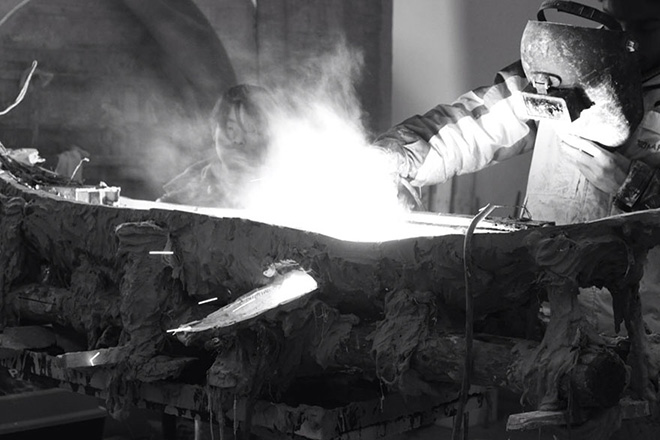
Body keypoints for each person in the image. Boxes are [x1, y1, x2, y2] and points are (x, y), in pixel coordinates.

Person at [374, 0, 660, 337]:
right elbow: (480, 122)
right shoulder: (570, 68)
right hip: (547, 312)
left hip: (641, 327)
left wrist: (638, 187)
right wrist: (399, 153)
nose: (626, 42)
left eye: (644, 28)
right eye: (615, 23)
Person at [157, 84, 274, 208]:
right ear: (214, 130)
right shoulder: (180, 196)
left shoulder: (284, 191)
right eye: (230, 128)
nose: (238, 140)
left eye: (250, 130)